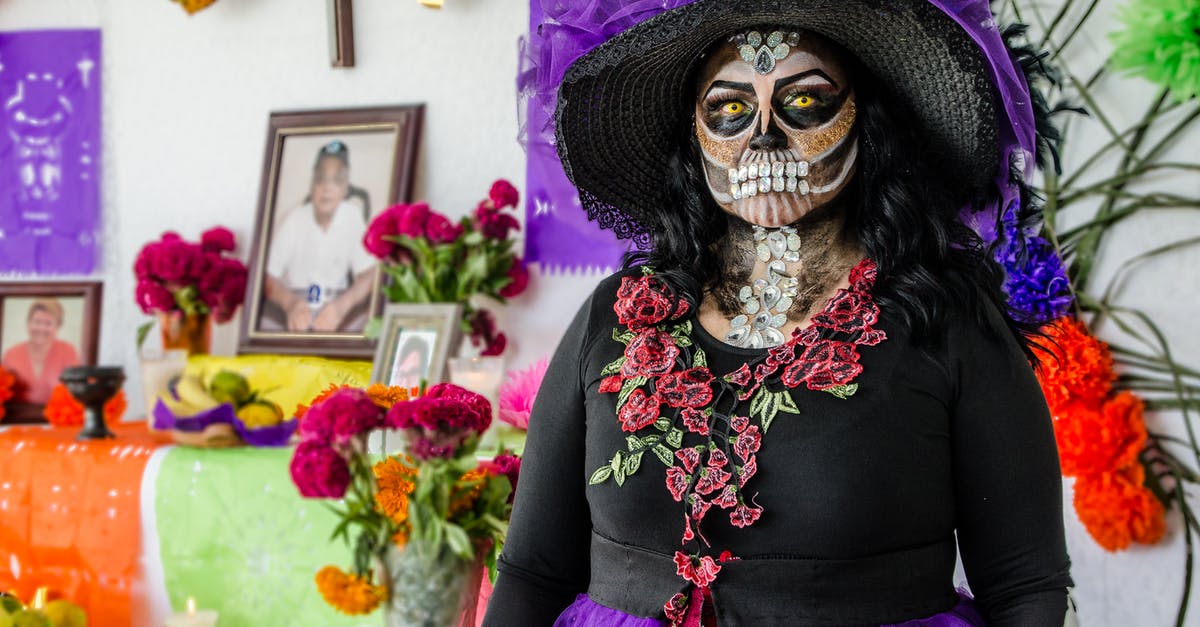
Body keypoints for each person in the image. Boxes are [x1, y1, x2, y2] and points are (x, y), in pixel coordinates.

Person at [485, 1, 1076, 626]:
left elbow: (1024, 584)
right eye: (731, 109)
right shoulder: (616, 315)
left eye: (804, 102)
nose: (763, 135)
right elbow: (533, 573)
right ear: (695, 133)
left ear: (867, 121)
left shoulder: (944, 319)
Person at [263, 140, 377, 333]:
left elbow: (370, 275)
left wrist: (342, 306)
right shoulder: (294, 218)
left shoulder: (351, 215)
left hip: (335, 302)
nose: (327, 188)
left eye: (337, 180)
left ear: (345, 189)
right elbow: (267, 277)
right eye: (321, 179)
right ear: (312, 185)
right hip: (295, 302)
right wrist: (290, 303)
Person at [2, 299, 80, 404]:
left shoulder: (68, 351)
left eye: (48, 323)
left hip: (56, 418)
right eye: (37, 322)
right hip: (17, 418)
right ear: (28, 323)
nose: (41, 328)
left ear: (58, 327)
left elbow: (77, 392)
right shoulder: (11, 354)